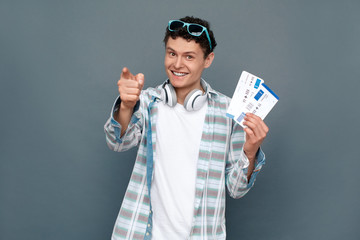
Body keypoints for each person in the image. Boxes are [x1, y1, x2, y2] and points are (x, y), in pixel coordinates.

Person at [104, 16, 269, 240]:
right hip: (140, 233)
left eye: (189, 56)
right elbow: (116, 142)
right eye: (172, 53)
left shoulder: (228, 112)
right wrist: (126, 106)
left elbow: (236, 189)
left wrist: (250, 152)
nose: (177, 64)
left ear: (208, 59)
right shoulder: (148, 101)